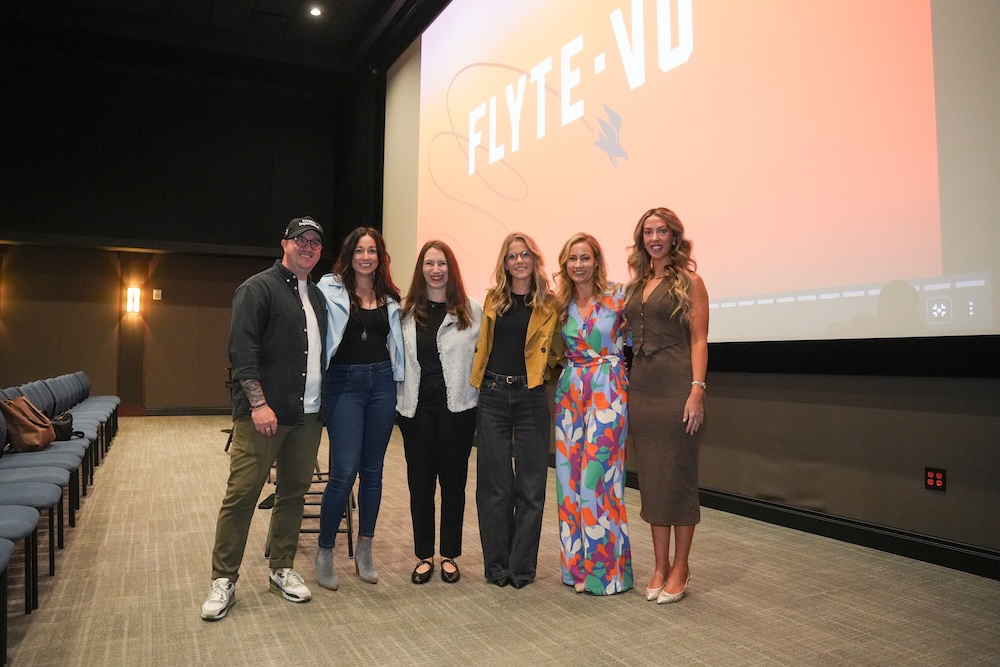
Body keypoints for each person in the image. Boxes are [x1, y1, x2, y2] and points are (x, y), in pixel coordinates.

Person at [201, 216, 328, 621]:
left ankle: (282, 568)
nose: (308, 247)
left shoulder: (319, 297)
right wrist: (258, 404)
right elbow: (242, 352)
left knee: (292, 494)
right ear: (284, 244)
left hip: (308, 416)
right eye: (300, 240)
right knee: (241, 495)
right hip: (264, 416)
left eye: (315, 242)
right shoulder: (257, 288)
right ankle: (223, 578)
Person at [623, 207, 708, 604]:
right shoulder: (636, 284)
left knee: (678, 476)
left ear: (674, 237)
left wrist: (697, 389)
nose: (654, 238)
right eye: (647, 232)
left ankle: (681, 565)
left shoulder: (691, 281)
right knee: (654, 480)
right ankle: (659, 565)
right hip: (641, 389)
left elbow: (698, 339)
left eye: (661, 231)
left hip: (677, 387)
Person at [314, 226, 404, 589]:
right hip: (343, 384)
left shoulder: (392, 297)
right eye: (360, 251)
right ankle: (325, 551)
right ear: (349, 255)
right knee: (343, 471)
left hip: (382, 384)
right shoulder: (329, 288)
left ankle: (365, 546)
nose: (366, 257)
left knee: (374, 471)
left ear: (381, 257)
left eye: (373, 251)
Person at [470, 232, 559, 589]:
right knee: (494, 486)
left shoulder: (552, 304)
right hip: (492, 395)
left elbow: (562, 349)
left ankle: (521, 567)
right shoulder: (493, 299)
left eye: (525, 255)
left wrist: (548, 369)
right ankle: (496, 565)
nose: (519, 261)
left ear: (535, 259)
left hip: (531, 397)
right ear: (504, 263)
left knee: (531, 487)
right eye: (512, 256)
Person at [397, 240, 482, 584]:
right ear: (421, 270)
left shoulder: (471, 310)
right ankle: (423, 556)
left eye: (442, 263)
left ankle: (448, 555)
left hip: (457, 411)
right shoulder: (404, 313)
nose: (436, 270)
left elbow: (483, 357)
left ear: (451, 269)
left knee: (453, 485)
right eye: (429, 264)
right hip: (415, 412)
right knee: (419, 485)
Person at [552, 233, 633, 595]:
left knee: (597, 482)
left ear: (597, 261)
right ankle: (577, 570)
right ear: (565, 264)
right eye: (573, 259)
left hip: (608, 390)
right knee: (569, 484)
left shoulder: (619, 296)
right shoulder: (560, 304)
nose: (579, 265)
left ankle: (608, 573)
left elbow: (639, 341)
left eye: (585, 258)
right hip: (571, 392)